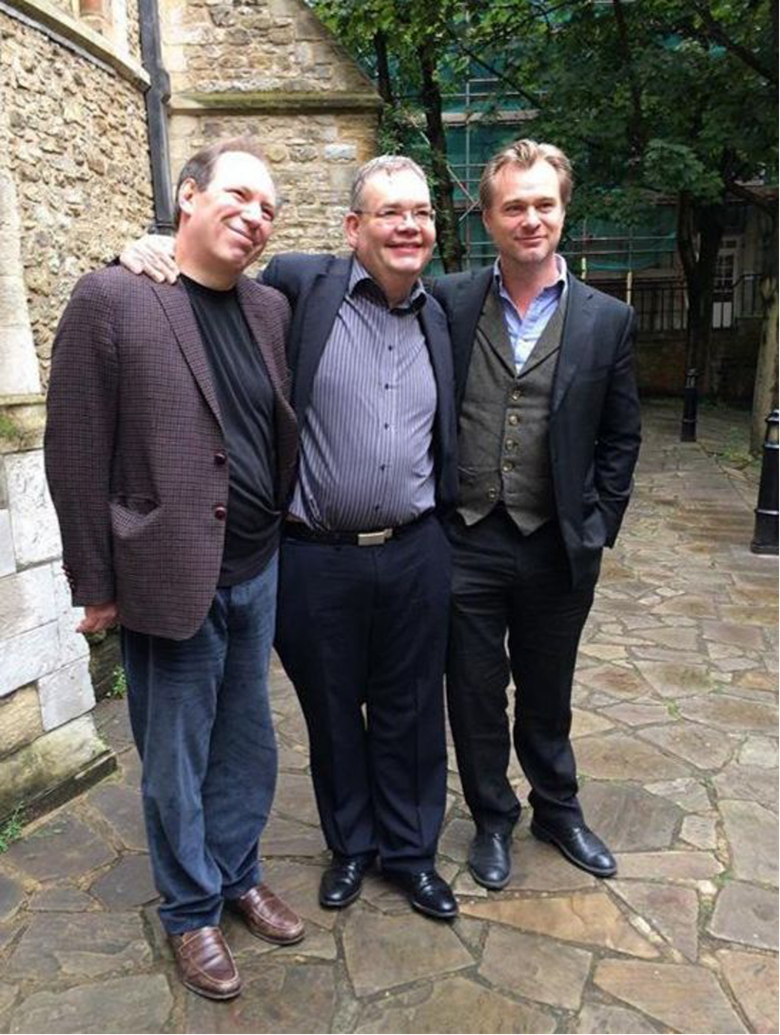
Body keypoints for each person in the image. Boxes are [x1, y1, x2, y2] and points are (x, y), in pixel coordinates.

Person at [119, 155, 459, 921]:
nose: (409, 226)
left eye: (423, 213)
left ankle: (411, 854)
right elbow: (209, 282)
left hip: (414, 546)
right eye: (389, 212)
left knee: (411, 709)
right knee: (331, 708)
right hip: (315, 554)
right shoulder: (300, 289)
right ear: (352, 228)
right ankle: (351, 847)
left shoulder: (446, 311)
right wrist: (143, 245)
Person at [45, 138, 304, 1002]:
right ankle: (191, 909)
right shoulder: (114, 296)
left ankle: (238, 872)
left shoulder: (268, 309)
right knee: (175, 757)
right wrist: (95, 584)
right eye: (238, 194)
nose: (254, 215)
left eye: (267, 206)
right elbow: (76, 449)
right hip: (168, 571)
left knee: (248, 742)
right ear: (188, 197)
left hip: (257, 568)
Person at [430, 139, 641, 890]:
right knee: (476, 694)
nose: (530, 218)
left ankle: (557, 806)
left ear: (563, 209)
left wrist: (597, 524)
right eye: (513, 205)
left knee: (549, 690)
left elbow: (621, 435)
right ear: (487, 217)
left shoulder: (606, 319)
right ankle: (493, 817)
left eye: (543, 203)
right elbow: (328, 279)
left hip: (557, 545)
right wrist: (156, 249)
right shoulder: (448, 300)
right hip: (467, 541)